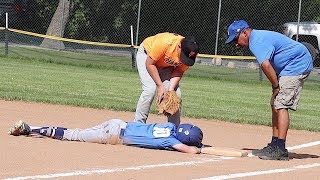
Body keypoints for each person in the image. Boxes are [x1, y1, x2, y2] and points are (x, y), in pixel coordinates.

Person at [226, 20, 313, 161]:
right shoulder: (256, 39)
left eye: (236, 39)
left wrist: (275, 86)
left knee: (281, 105)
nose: (236, 44)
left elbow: (266, 66)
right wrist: (276, 84)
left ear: (244, 32)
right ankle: (274, 144)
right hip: (287, 67)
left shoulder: (256, 41)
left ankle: (280, 148)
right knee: (275, 104)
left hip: (296, 64)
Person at [8, 119, 204, 154]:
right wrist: (199, 148)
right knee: (73, 135)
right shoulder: (170, 141)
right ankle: (30, 128)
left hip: (117, 123)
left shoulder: (169, 127)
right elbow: (190, 150)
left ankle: (31, 128)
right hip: (112, 135)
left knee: (76, 132)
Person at [134, 32, 199, 126]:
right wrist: (160, 86)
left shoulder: (191, 51)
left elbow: (179, 70)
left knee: (176, 94)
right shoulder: (165, 42)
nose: (183, 59)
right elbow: (150, 64)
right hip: (147, 56)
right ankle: (138, 125)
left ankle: (173, 128)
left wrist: (171, 89)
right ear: (179, 46)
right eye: (183, 56)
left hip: (165, 65)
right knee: (150, 90)